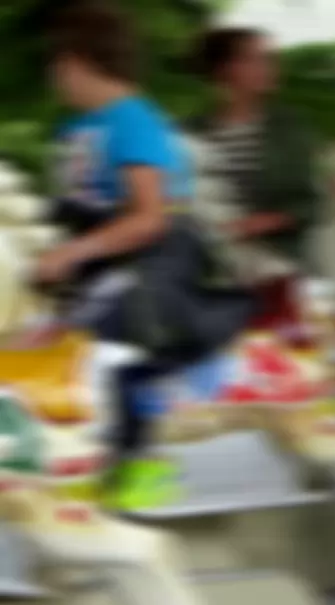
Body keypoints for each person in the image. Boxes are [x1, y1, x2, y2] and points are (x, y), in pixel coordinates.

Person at [41, 3, 252, 510]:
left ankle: (136, 462)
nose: (52, 74)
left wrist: (77, 250)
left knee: (100, 333)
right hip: (95, 256)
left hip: (150, 255)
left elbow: (150, 217)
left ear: (76, 60)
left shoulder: (133, 121)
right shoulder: (74, 127)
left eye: (55, 61)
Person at [189, 27, 322, 279]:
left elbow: (311, 204)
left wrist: (265, 222)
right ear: (224, 68)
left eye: (270, 60)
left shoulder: (287, 129)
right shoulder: (191, 133)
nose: (269, 68)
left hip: (275, 266)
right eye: (255, 59)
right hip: (205, 268)